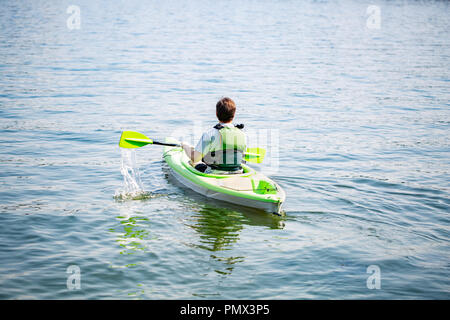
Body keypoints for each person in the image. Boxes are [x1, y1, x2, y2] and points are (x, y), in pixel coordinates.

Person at [181, 97, 246, 174]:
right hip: (237, 172)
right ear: (234, 114)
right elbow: (242, 157)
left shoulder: (210, 134)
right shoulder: (242, 134)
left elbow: (195, 158)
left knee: (195, 163)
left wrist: (185, 146)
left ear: (216, 113)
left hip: (214, 173)